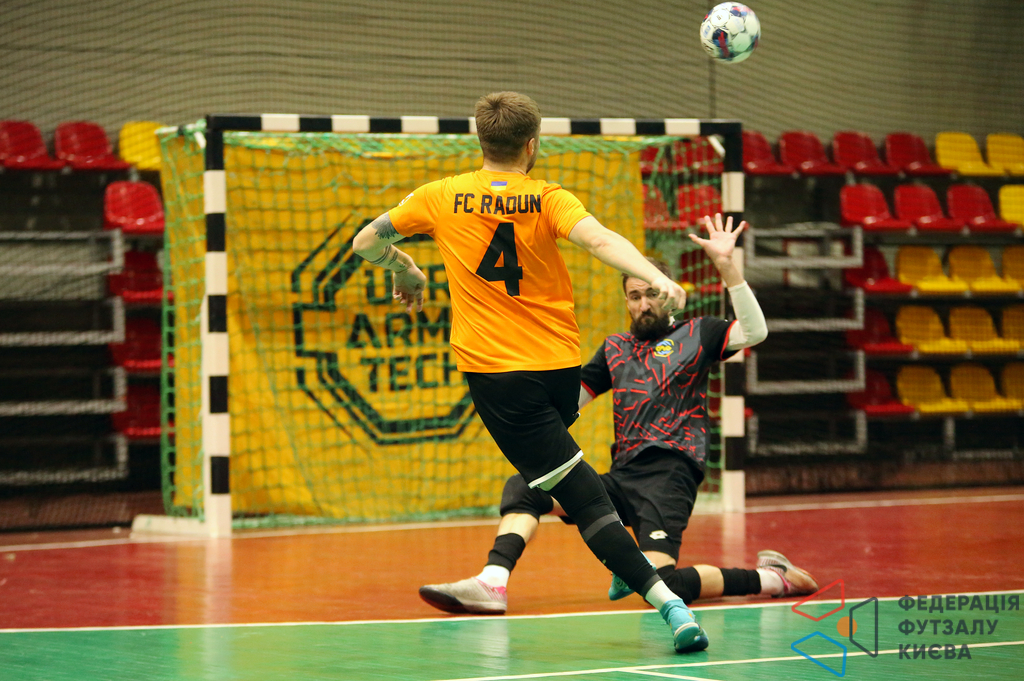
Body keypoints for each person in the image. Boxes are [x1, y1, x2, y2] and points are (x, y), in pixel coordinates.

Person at [353, 91, 707, 653]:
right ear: (532, 145)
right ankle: (500, 575)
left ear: (480, 141)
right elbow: (599, 240)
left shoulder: (440, 196)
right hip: (560, 369)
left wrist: (407, 270)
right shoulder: (548, 197)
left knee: (581, 498)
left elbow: (366, 242)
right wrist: (656, 275)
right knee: (550, 480)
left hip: (501, 378)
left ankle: (667, 603)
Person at [418, 216, 818, 615]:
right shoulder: (615, 349)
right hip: (622, 478)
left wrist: (727, 265)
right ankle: (493, 582)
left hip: (669, 477)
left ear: (668, 292)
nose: (643, 304)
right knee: (525, 488)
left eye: (651, 293)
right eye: (634, 296)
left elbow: (755, 332)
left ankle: (771, 578)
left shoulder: (699, 333)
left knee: (662, 585)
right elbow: (564, 405)